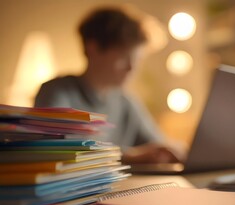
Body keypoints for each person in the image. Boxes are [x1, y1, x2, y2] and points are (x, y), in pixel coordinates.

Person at [34, 6, 182, 164]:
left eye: (137, 60)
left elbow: (159, 145)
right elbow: (58, 150)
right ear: (93, 49)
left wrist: (173, 150)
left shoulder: (126, 102)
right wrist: (128, 156)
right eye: (124, 58)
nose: (131, 68)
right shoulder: (57, 92)